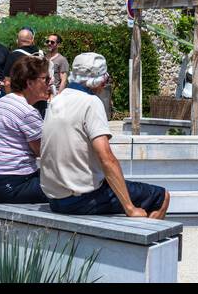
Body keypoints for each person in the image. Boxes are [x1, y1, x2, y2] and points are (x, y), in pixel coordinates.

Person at [40, 53, 169, 218]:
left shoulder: (57, 100)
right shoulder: (91, 102)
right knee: (161, 197)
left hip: (55, 198)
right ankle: (142, 240)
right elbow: (106, 158)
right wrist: (130, 208)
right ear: (100, 81)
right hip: (80, 199)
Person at [0, 55, 51, 204]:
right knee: (67, 188)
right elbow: (43, 152)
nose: (50, 83)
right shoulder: (28, 111)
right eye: (45, 79)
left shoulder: (1, 102)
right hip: (11, 183)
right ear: (29, 83)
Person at [45, 34, 69, 98]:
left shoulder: (62, 60)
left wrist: (58, 97)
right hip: (43, 93)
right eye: (47, 41)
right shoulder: (43, 58)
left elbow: (64, 80)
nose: (49, 43)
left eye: (52, 42)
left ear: (58, 44)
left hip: (54, 94)